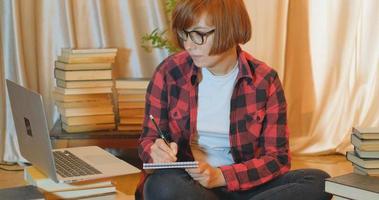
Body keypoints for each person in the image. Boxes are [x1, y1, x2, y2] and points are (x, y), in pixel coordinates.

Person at [138, 0, 332, 199]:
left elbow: (278, 159)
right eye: (185, 34)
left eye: (199, 34)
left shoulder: (265, 80)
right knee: (161, 185)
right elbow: (148, 139)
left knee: (320, 181)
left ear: (229, 28)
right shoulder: (169, 72)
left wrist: (222, 176)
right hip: (192, 186)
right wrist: (155, 152)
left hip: (245, 186)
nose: (189, 45)